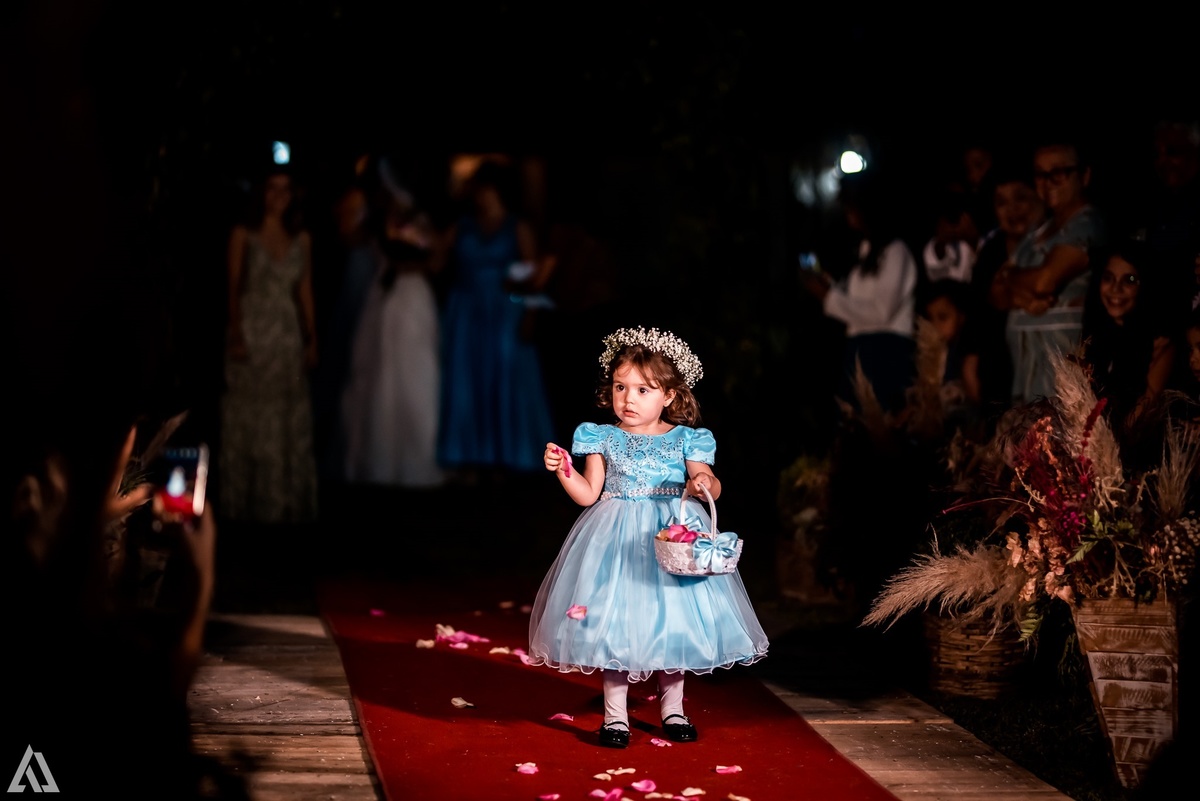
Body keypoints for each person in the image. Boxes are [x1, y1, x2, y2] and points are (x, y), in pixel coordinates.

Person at [528, 326, 769, 749]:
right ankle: (615, 716)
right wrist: (565, 468)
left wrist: (703, 485)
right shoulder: (602, 436)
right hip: (615, 540)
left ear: (669, 395)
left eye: (643, 390)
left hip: (670, 536)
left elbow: (707, 481)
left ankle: (673, 708)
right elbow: (588, 494)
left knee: (673, 620)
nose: (628, 399)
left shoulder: (687, 439)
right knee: (613, 624)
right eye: (620, 387)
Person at [433, 158, 556, 481]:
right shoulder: (461, 226)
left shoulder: (517, 227)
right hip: (466, 313)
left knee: (505, 380)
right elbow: (436, 261)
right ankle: (469, 456)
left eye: (483, 187)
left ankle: (508, 454)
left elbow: (533, 276)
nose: (479, 194)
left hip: (504, 313)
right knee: (467, 382)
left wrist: (530, 314)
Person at [217, 165, 320, 526]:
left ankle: (283, 501)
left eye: (286, 189)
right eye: (272, 188)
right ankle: (248, 500)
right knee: (251, 414)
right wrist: (236, 334)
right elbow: (233, 287)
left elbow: (304, 290)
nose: (279, 197)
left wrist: (312, 338)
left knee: (285, 414)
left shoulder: (301, 238)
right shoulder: (243, 234)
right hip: (254, 331)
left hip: (286, 337)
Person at [340, 168, 444, 489]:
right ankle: (379, 459)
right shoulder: (375, 221)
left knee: (416, 374)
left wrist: (406, 255)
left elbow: (436, 260)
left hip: (413, 296)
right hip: (385, 298)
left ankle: (418, 460)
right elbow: (349, 236)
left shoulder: (420, 222)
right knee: (379, 374)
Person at [989, 137, 1107, 404]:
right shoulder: (1037, 231)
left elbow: (1045, 281)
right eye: (1041, 174)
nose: (1047, 182)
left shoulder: (1087, 224)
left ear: (1084, 176)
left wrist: (1013, 280)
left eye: (1059, 173)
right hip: (1027, 382)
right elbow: (996, 293)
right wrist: (1024, 298)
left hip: (1062, 388)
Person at [800, 173, 919, 415]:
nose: (849, 215)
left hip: (887, 353)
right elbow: (857, 303)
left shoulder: (896, 252)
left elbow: (882, 312)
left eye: (852, 208)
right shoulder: (865, 251)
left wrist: (829, 297)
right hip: (859, 351)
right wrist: (829, 287)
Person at [1080, 238, 1176, 459]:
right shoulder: (1096, 335)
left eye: (1129, 280)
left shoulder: (1161, 344)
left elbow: (1143, 411)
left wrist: (1101, 452)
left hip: (1132, 457)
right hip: (1094, 452)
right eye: (1108, 278)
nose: (1116, 289)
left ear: (1146, 285)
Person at [969, 157, 1047, 415]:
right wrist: (970, 364)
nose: (1012, 210)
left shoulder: (1057, 249)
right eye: (1001, 202)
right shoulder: (990, 254)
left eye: (1020, 198)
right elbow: (977, 315)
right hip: (998, 380)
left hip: (1045, 375)